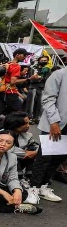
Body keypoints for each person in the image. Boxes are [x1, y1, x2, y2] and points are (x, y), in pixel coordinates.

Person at [28, 66, 67, 203]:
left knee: (58, 158)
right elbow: (48, 99)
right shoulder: (59, 74)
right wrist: (54, 122)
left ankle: (44, 186)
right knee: (45, 157)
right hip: (55, 124)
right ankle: (33, 188)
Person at [0, 48, 30, 131]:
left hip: (1, 91)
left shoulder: (7, 64)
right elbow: (13, 82)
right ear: (17, 55)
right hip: (10, 92)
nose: (25, 57)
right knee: (16, 113)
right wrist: (29, 79)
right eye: (24, 55)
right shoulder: (16, 66)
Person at [2, 111, 39, 180]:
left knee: (33, 150)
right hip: (3, 164)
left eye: (28, 123)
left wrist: (34, 152)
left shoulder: (26, 135)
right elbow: (8, 149)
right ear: (16, 124)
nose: (28, 126)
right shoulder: (2, 135)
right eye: (25, 123)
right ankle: (17, 177)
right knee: (13, 155)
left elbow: (36, 146)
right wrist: (25, 153)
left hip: (21, 160)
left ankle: (29, 176)